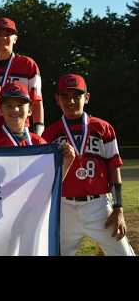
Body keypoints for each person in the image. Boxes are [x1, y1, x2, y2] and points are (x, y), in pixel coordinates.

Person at [42, 74, 136, 256]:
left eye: (76, 95)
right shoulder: (50, 134)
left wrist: (118, 208)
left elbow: (114, 168)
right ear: (57, 99)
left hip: (99, 207)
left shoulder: (103, 128)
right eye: (65, 96)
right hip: (64, 207)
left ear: (87, 97)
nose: (70, 101)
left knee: (123, 253)